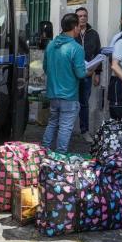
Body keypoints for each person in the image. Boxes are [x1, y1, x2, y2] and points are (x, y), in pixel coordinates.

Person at [42, 13, 90, 152]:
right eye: (79, 27)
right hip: (69, 95)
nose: (80, 30)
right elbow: (81, 73)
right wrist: (90, 70)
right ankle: (60, 157)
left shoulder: (51, 45)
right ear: (75, 27)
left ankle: (43, 152)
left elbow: (46, 68)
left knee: (52, 123)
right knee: (65, 127)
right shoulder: (76, 48)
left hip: (52, 93)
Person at [75, 7, 102, 143]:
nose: (83, 18)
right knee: (70, 102)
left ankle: (84, 130)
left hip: (87, 74)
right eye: (80, 16)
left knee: (84, 103)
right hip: (72, 75)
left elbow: (98, 54)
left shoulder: (93, 34)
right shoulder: (71, 33)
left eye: (85, 15)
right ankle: (67, 129)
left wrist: (97, 73)